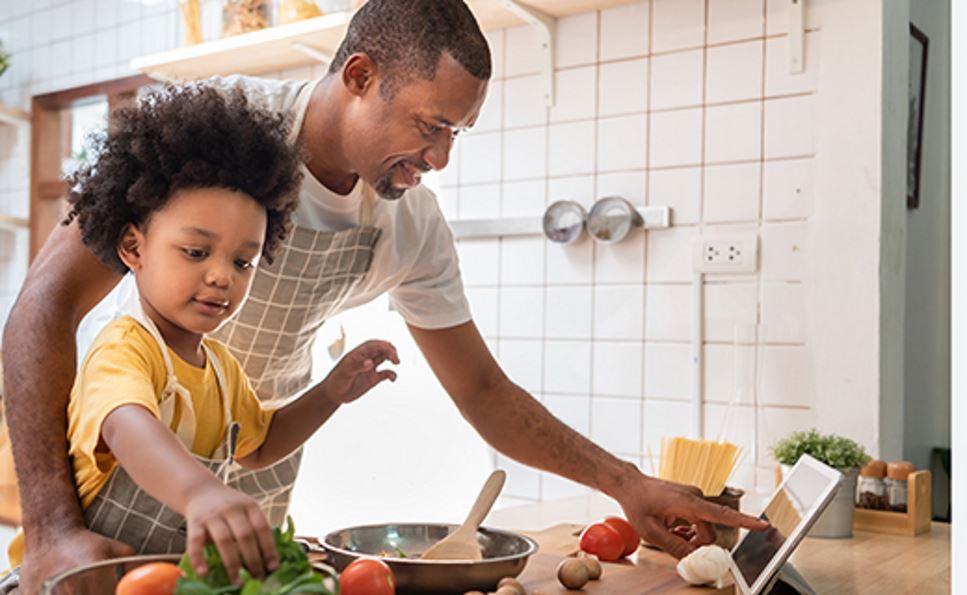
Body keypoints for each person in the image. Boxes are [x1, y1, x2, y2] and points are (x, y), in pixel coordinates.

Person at [1, 0, 767, 590]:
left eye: (456, 134)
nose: (436, 158)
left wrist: (623, 482)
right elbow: (44, 304)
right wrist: (50, 526)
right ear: (361, 76)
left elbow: (481, 389)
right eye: (429, 124)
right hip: (122, 472)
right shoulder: (221, 135)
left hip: (252, 463)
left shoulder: (410, 224)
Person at [0, 84, 398, 590]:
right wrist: (201, 493)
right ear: (132, 247)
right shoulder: (126, 348)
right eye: (195, 252)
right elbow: (127, 425)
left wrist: (329, 393)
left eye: (242, 261)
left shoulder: (223, 370)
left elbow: (260, 445)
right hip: (68, 582)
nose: (221, 277)